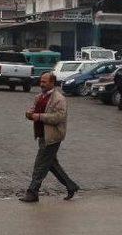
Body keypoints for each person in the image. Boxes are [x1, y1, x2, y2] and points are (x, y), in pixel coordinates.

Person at [19, 72, 79, 203]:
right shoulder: (39, 97)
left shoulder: (59, 99)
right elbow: (33, 110)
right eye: (41, 81)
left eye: (44, 82)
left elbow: (59, 117)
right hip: (42, 135)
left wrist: (39, 116)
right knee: (51, 164)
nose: (42, 84)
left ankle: (32, 192)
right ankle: (71, 186)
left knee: (40, 165)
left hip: (52, 137)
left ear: (52, 83)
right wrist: (29, 114)